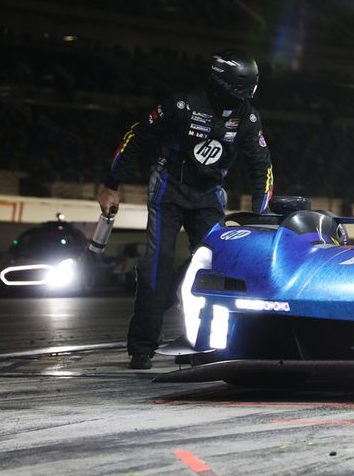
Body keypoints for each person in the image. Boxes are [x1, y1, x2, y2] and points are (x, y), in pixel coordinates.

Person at [97, 49, 274, 369]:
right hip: (169, 189)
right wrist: (111, 184)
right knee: (156, 264)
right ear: (221, 84)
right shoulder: (183, 104)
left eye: (251, 89)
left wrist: (260, 213)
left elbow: (262, 167)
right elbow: (137, 135)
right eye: (240, 89)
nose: (246, 96)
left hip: (209, 194)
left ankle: (206, 343)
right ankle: (142, 347)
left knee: (214, 268)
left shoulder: (248, 118)